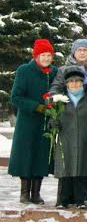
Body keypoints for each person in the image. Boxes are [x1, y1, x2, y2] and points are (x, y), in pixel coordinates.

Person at [49, 38, 87, 206]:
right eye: (79, 49)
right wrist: (56, 102)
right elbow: (55, 89)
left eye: (85, 50)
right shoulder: (63, 69)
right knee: (68, 160)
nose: (82, 52)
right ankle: (66, 197)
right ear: (73, 52)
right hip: (68, 117)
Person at [9, 39, 57, 205]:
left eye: (49, 55)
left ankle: (36, 192)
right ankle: (24, 192)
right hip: (28, 121)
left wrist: (55, 106)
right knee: (26, 155)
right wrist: (36, 107)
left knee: (42, 155)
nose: (46, 58)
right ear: (36, 56)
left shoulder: (54, 72)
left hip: (46, 122)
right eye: (43, 55)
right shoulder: (24, 71)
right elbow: (15, 97)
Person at [54, 67, 87, 209]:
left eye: (78, 81)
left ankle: (81, 200)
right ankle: (62, 200)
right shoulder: (60, 100)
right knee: (66, 168)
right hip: (66, 139)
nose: (75, 84)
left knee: (82, 169)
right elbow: (53, 117)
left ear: (83, 83)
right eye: (71, 81)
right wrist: (53, 122)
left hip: (85, 138)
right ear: (66, 84)